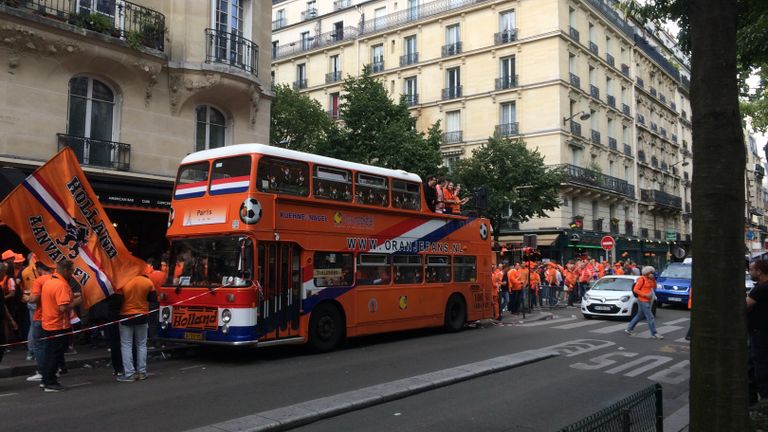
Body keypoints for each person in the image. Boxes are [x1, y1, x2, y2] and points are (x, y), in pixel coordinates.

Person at [40, 260, 81, 392]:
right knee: (55, 354)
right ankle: (50, 382)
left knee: (49, 353)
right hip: (59, 325)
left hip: (48, 323)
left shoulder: (49, 282)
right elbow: (63, 307)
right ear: (65, 270)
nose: (72, 274)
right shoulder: (61, 285)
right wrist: (76, 301)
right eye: (72, 271)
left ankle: (46, 380)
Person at [117, 273, 157, 382]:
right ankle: (142, 372)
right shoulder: (147, 282)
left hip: (126, 315)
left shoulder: (122, 281)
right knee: (142, 344)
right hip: (142, 315)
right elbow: (153, 299)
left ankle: (129, 373)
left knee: (126, 345)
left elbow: (118, 301)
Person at [25, 261, 53, 383]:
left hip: (40, 316)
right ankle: (53, 370)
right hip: (53, 317)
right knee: (50, 345)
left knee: (39, 346)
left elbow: (35, 298)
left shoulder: (39, 281)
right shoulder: (57, 278)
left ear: (40, 269)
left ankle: (43, 372)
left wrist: (28, 298)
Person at [747, 260, 768, 401]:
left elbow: (745, 305)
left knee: (760, 370)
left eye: (751, 270)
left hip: (760, 334)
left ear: (759, 271)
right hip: (761, 333)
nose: (749, 272)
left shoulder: (761, 288)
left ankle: (762, 404)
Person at [625, 266, 663, 339]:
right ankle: (654, 333)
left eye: (653, 273)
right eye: (651, 272)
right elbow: (636, 289)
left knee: (639, 315)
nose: (652, 274)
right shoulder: (641, 279)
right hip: (642, 300)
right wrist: (645, 295)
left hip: (647, 300)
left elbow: (654, 287)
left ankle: (629, 329)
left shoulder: (650, 279)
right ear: (647, 273)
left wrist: (653, 279)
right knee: (650, 317)